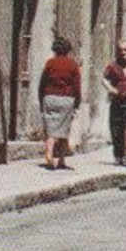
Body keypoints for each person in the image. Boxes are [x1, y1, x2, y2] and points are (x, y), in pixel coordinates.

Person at [38, 37, 82, 169]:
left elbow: (42, 83)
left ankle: (49, 153)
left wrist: (41, 99)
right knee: (64, 128)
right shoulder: (73, 65)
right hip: (66, 99)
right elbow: (77, 86)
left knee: (51, 128)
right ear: (68, 50)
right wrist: (77, 103)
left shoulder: (50, 63)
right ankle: (61, 159)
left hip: (50, 97)